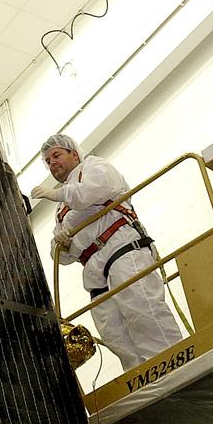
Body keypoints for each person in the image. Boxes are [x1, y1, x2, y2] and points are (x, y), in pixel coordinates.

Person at [31, 134, 183, 369]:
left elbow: (93, 192)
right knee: (113, 332)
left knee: (142, 308)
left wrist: (58, 193)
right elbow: (59, 255)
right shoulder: (61, 208)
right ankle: (142, 379)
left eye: (57, 155)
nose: (53, 163)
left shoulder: (93, 167)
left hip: (121, 249)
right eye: (48, 161)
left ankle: (173, 364)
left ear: (74, 153)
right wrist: (62, 244)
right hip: (92, 268)